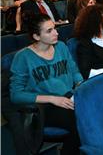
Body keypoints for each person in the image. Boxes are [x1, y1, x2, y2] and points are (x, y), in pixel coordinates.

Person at [10, 13, 83, 155]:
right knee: (80, 122)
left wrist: (80, 84)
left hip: (68, 97)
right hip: (45, 106)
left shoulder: (61, 46)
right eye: (49, 31)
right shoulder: (23, 57)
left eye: (54, 28)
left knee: (97, 109)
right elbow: (15, 95)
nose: (56, 33)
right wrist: (52, 99)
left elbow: (73, 70)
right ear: (36, 36)